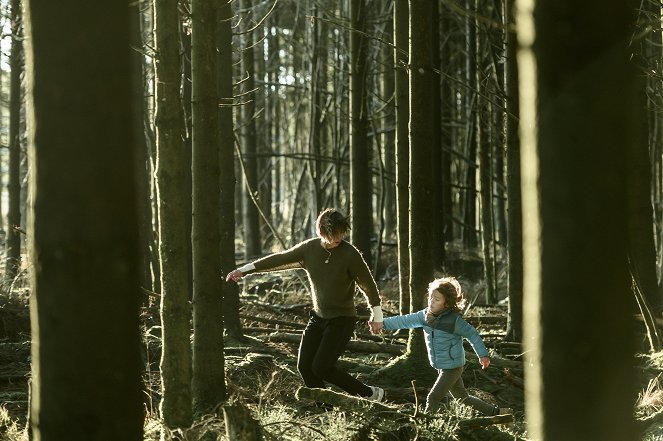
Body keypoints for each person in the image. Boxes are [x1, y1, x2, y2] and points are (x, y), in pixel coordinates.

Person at [226, 208, 385, 402]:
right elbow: (280, 258)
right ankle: (324, 408)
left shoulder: (349, 254)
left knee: (322, 368)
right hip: (318, 319)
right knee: (304, 366)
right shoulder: (309, 249)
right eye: (335, 234)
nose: (339, 237)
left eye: (342, 232)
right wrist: (244, 270)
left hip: (342, 321)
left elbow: (368, 285)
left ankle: (370, 394)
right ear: (322, 232)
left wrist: (377, 315)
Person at [369, 277, 510, 415]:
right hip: (442, 365)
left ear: (447, 304)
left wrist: (483, 355)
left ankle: (428, 426)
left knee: (433, 398)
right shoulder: (424, 316)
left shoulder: (453, 321)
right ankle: (497, 412)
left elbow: (472, 334)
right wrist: (381, 323)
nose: (431, 302)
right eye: (431, 297)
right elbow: (404, 321)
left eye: (437, 300)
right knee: (463, 398)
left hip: (453, 367)